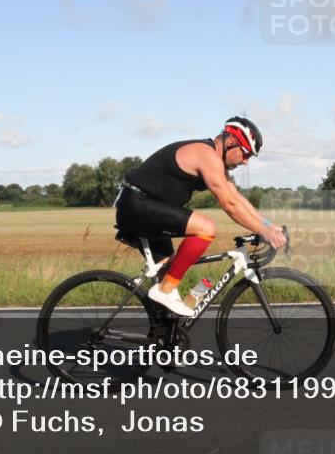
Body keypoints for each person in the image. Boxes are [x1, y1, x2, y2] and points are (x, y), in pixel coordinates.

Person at [114, 117, 287, 316]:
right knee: (206, 228)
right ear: (232, 143)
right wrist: (263, 231)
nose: (246, 162)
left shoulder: (215, 162)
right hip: (138, 205)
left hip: (148, 207)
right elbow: (228, 204)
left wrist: (268, 225)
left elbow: (236, 198)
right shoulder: (206, 155)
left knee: (168, 280)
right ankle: (165, 290)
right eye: (246, 154)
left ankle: (163, 335)